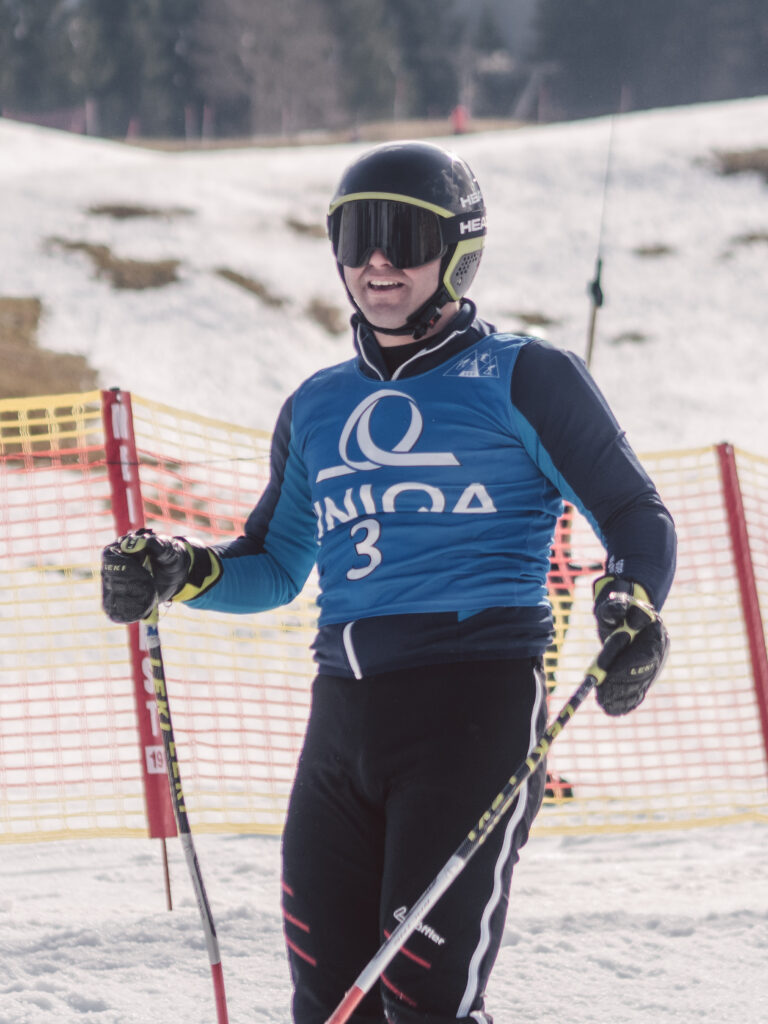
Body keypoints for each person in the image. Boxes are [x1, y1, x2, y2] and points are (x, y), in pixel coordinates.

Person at [101, 141, 676, 1024]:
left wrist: (631, 601)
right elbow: (275, 564)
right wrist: (178, 570)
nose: (376, 260)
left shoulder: (527, 377)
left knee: (422, 1002)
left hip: (474, 708)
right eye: (356, 235)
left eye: (404, 237)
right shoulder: (317, 406)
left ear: (458, 250)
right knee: (328, 1001)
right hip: (344, 717)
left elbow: (634, 511)